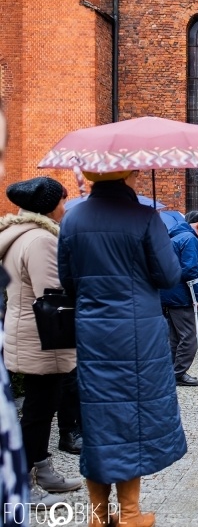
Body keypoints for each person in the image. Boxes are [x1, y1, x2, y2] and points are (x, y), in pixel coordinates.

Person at [59, 169, 186, 527]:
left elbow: (67, 279)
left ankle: (98, 516)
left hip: (93, 331)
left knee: (99, 415)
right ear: (128, 175)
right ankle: (130, 513)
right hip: (139, 331)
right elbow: (167, 276)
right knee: (136, 416)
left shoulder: (73, 219)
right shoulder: (145, 216)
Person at [0, 176, 82, 508]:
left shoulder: (18, 235)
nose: (66, 206)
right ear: (49, 205)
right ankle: (23, 480)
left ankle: (42, 467)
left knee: (41, 407)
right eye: (63, 200)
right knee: (37, 410)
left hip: (29, 332)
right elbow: (52, 294)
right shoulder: (41, 240)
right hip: (42, 336)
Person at [0, 106, 30, 526]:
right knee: (42, 403)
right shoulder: (37, 240)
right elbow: (49, 292)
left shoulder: (10, 234)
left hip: (17, 335)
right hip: (34, 335)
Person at [160, 211, 198, 386]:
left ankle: (171, 371)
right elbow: (190, 270)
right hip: (182, 295)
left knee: (175, 337)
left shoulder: (175, 237)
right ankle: (178, 373)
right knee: (189, 336)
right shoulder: (190, 239)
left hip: (170, 293)